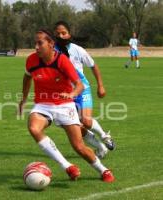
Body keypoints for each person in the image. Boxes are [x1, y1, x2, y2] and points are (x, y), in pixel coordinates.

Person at [18, 29, 115, 182]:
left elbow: (79, 85)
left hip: (65, 106)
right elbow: (27, 77)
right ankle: (67, 166)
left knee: (79, 147)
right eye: (35, 43)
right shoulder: (31, 60)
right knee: (33, 128)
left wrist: (71, 95)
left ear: (51, 44)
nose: (36, 47)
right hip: (43, 105)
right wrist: (23, 99)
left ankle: (104, 170)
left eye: (40, 43)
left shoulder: (62, 61)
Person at [54, 21, 115, 159]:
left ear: (69, 33)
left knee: (86, 121)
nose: (61, 35)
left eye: (63, 33)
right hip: (65, 94)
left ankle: (105, 136)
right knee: (74, 127)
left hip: (82, 90)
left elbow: (93, 66)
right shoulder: (52, 51)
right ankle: (100, 147)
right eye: (57, 33)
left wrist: (100, 85)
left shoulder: (78, 50)